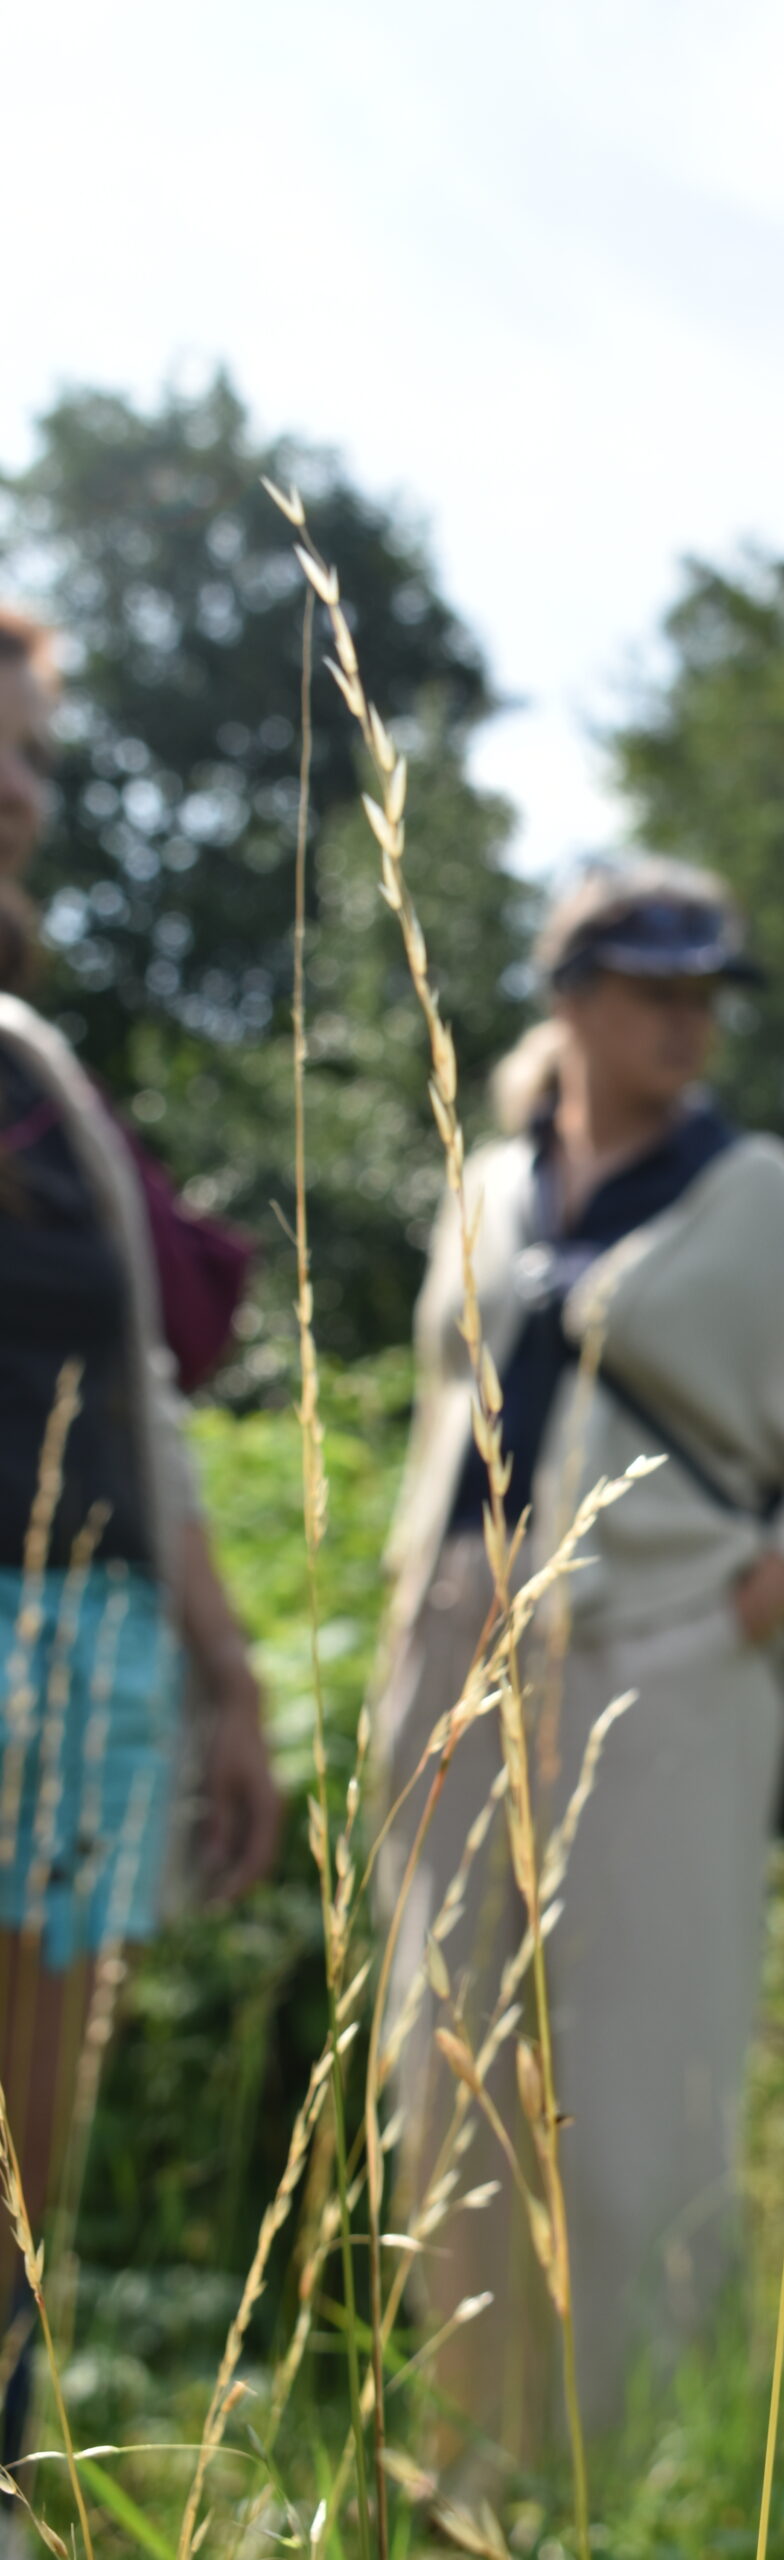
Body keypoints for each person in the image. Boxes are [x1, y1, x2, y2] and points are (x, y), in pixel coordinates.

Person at [375, 855, 784, 2470]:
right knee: (443, 2068)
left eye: (704, 994)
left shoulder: (756, 1196)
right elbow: (441, 1414)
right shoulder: (493, 1182)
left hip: (660, 1666)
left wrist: (732, 1615)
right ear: (572, 997)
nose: (686, 1023)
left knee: (637, 2094)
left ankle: (644, 2469)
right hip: (459, 1662)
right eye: (654, 990)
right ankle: (477, 2457)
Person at [0, 606, 281, 2483]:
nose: (19, 792)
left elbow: (145, 1402)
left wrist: (223, 1674)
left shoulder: (39, 1073)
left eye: (33, 755)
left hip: (85, 1656)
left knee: (22, 2189)